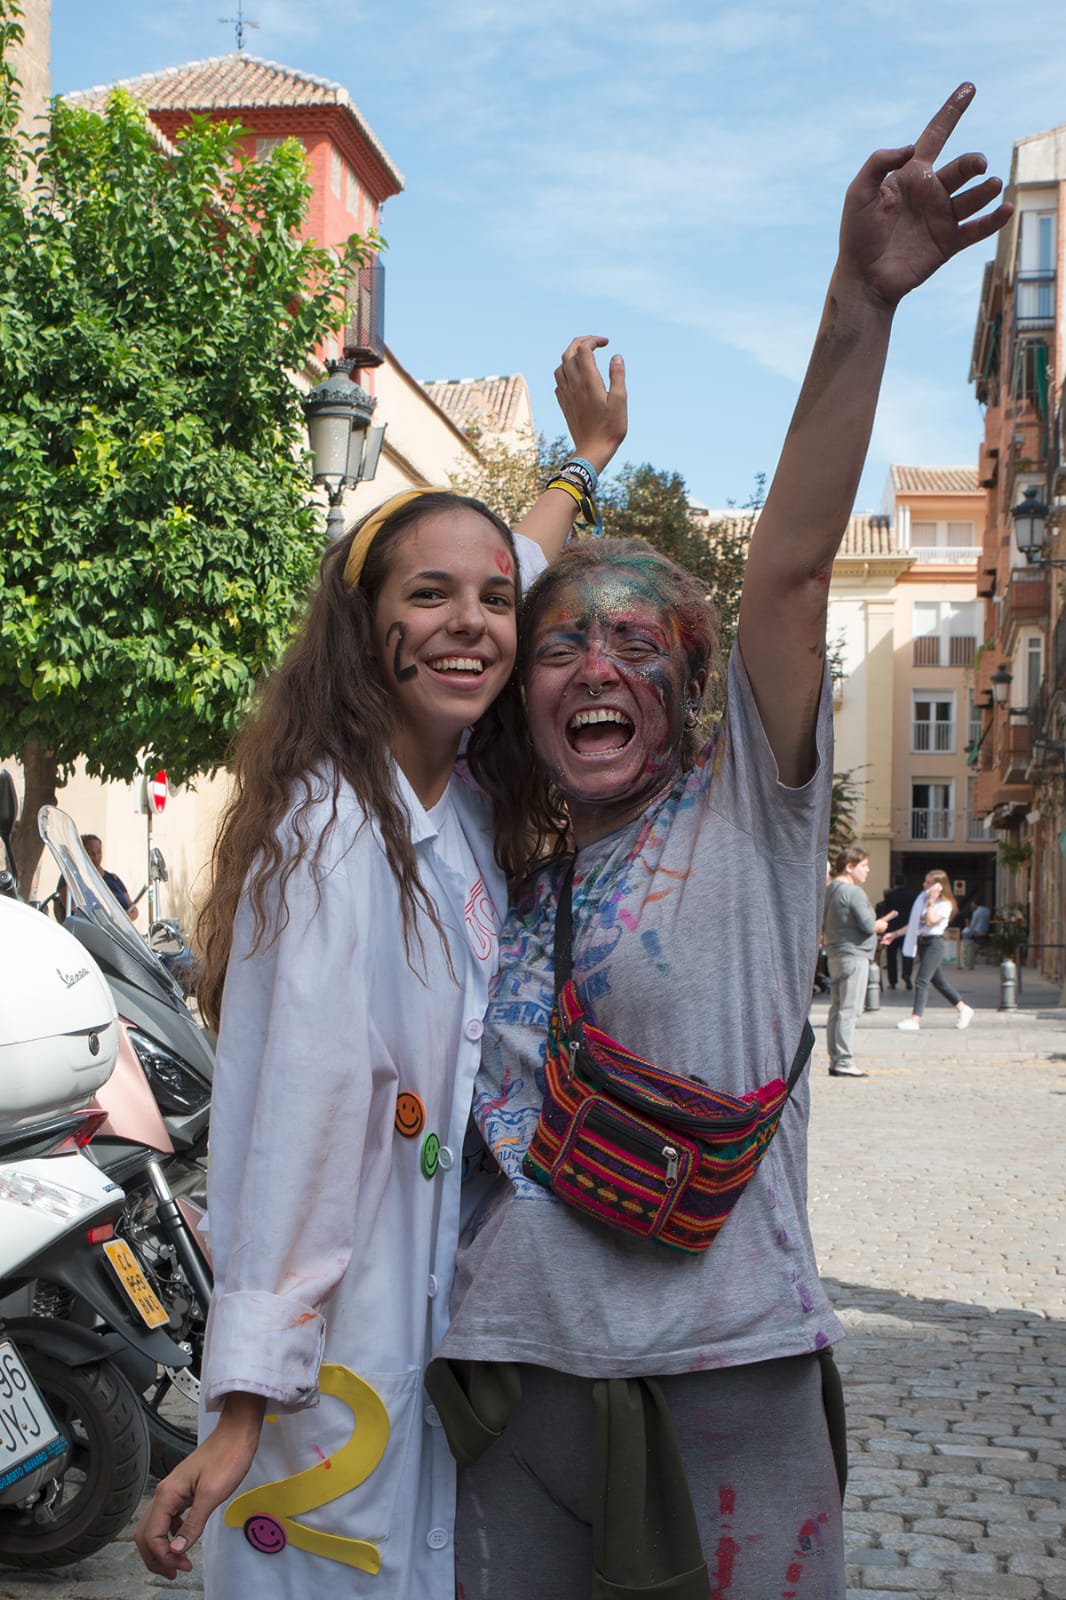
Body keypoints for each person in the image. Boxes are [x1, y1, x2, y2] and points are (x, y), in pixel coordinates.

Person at [427, 85, 1009, 1600]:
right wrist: (577, 468)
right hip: (507, 1382)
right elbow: (445, 614)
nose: (594, 667)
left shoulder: (744, 804)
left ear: (688, 690)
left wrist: (856, 303)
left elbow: (794, 569)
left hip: (723, 1378)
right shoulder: (510, 857)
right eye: (563, 650)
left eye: (637, 644)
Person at [134, 335, 627, 1596]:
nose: (469, 623)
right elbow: (296, 1119)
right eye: (426, 597)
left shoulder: (452, 805)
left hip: (425, 1322)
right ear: (367, 629)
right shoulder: (329, 833)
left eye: (493, 603)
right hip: (329, 1360)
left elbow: (498, 569)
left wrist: (581, 463)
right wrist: (245, 1399)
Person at [823, 846, 895, 1078]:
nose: (868, 870)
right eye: (864, 866)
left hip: (835, 953)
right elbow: (867, 925)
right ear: (850, 867)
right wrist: (880, 925)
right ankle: (844, 1060)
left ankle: (836, 1058)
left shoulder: (830, 890)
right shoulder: (853, 893)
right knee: (849, 1010)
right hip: (854, 955)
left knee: (836, 1009)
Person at [889, 868, 975, 1031]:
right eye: (925, 881)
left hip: (934, 944)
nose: (924, 884)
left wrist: (931, 903)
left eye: (928, 882)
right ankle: (964, 1009)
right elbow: (915, 924)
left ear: (939, 886)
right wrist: (894, 934)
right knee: (939, 982)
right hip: (923, 943)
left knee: (921, 980)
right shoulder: (922, 899)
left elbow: (930, 921)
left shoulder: (945, 904)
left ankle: (915, 1020)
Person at [81, 832, 139, 921]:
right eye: (91, 852)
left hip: (119, 931)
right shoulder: (77, 878)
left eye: (98, 852)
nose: (96, 856)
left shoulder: (113, 879)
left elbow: (133, 910)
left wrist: (124, 918)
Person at [877, 874, 916, 988]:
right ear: (905, 883)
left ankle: (892, 981)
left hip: (892, 928)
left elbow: (885, 908)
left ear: (894, 882)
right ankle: (906, 974)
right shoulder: (912, 896)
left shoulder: (889, 895)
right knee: (907, 953)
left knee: (891, 955)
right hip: (907, 928)